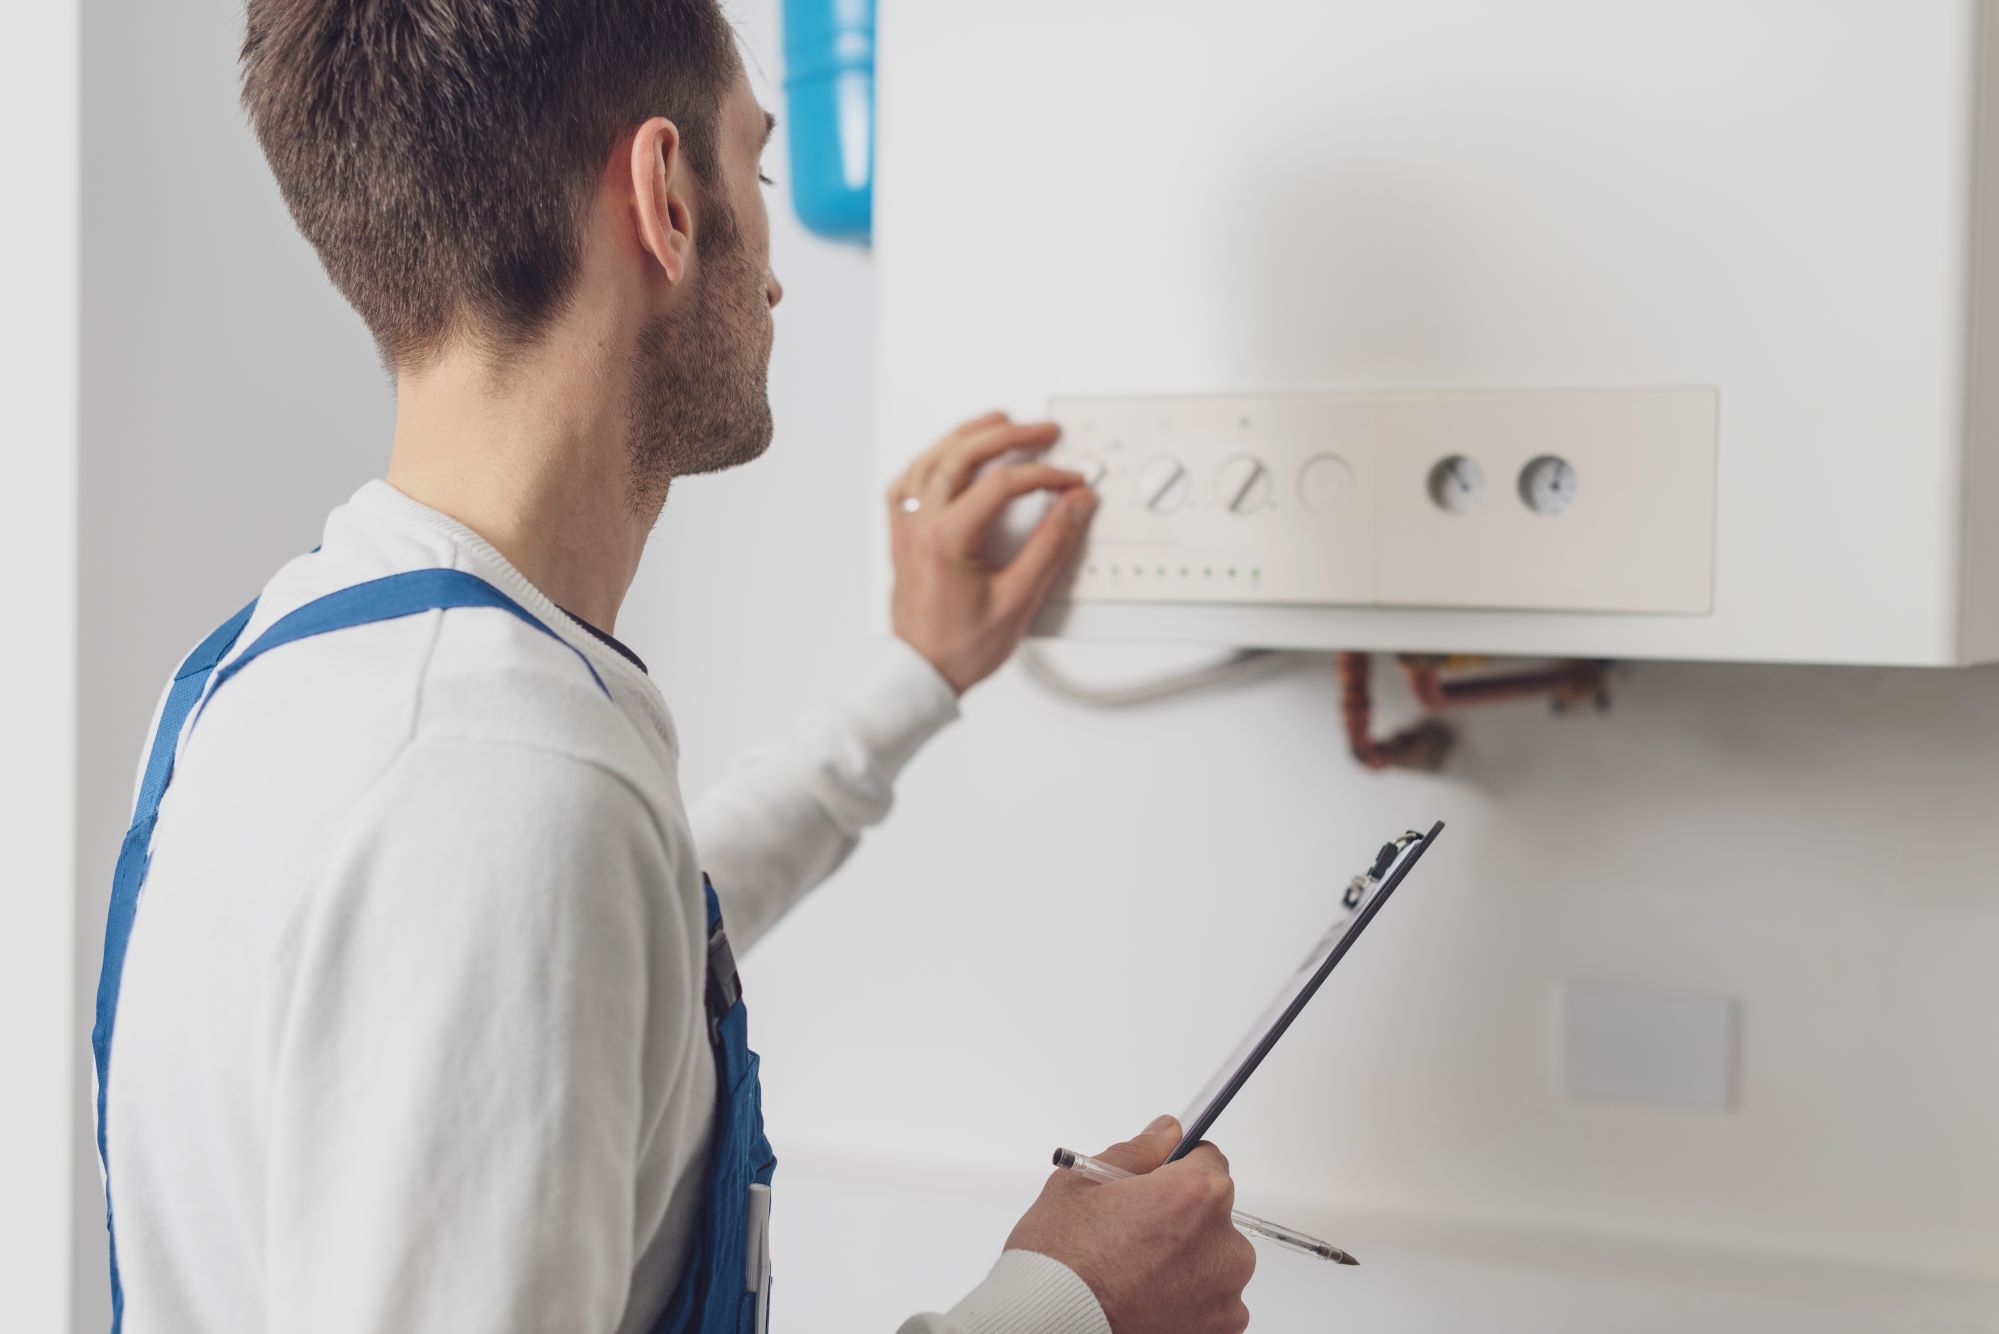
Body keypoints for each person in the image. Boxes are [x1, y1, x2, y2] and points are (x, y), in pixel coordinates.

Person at [87, 2, 1259, 1333]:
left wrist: (917, 677)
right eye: (754, 168)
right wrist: (1063, 1306)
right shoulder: (498, 791)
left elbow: (632, 930)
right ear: (665, 196)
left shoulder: (283, 677)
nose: (773, 275)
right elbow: (536, 875)